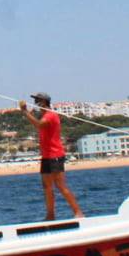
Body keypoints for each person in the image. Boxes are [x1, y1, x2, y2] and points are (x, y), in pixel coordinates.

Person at [18, 93, 83, 221]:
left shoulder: (50, 115)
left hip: (55, 155)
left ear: (44, 102)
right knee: (47, 186)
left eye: (37, 100)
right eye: (35, 101)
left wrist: (25, 112)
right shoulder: (45, 115)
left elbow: (40, 125)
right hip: (47, 156)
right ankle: (50, 215)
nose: (35, 103)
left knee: (60, 185)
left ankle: (78, 212)